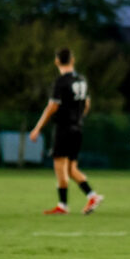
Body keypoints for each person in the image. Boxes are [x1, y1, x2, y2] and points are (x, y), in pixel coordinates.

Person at [29, 48, 104, 215]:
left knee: (60, 167)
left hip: (63, 128)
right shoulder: (82, 80)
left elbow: (52, 106)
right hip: (77, 128)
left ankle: (63, 205)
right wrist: (77, 118)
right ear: (73, 60)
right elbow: (87, 105)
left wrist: (37, 128)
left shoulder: (61, 82)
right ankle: (92, 196)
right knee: (71, 169)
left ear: (57, 61)